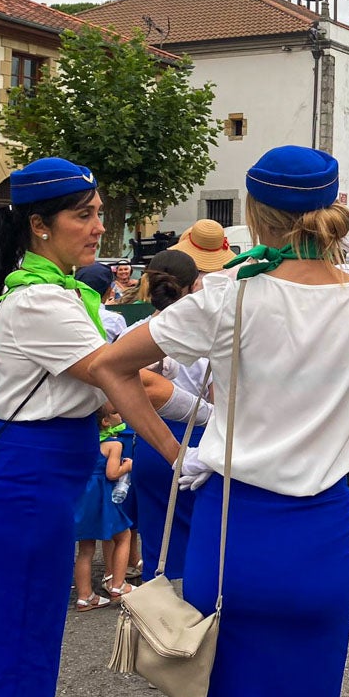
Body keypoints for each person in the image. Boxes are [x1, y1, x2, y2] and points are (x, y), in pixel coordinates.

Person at [90, 145, 349, 697]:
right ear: (334, 208)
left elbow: (111, 366)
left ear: (255, 214)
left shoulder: (230, 293)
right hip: (318, 540)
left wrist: (175, 452)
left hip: (229, 535)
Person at [0, 157, 121, 697]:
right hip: (28, 488)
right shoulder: (42, 299)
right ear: (40, 225)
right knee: (18, 659)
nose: (99, 227)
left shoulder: (55, 293)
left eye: (99, 214)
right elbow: (115, 373)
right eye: (84, 215)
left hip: (29, 486)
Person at [120, 248, 212, 584]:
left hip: (149, 438)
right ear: (192, 286)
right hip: (200, 436)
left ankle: (159, 617)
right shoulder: (208, 336)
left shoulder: (134, 334)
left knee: (158, 539)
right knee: (205, 536)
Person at [72, 409, 134, 609]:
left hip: (83, 497)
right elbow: (112, 473)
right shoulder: (114, 444)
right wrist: (128, 466)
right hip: (103, 498)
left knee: (86, 548)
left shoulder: (83, 442)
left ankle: (85, 596)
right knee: (123, 536)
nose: (120, 414)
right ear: (106, 421)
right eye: (116, 412)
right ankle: (118, 585)